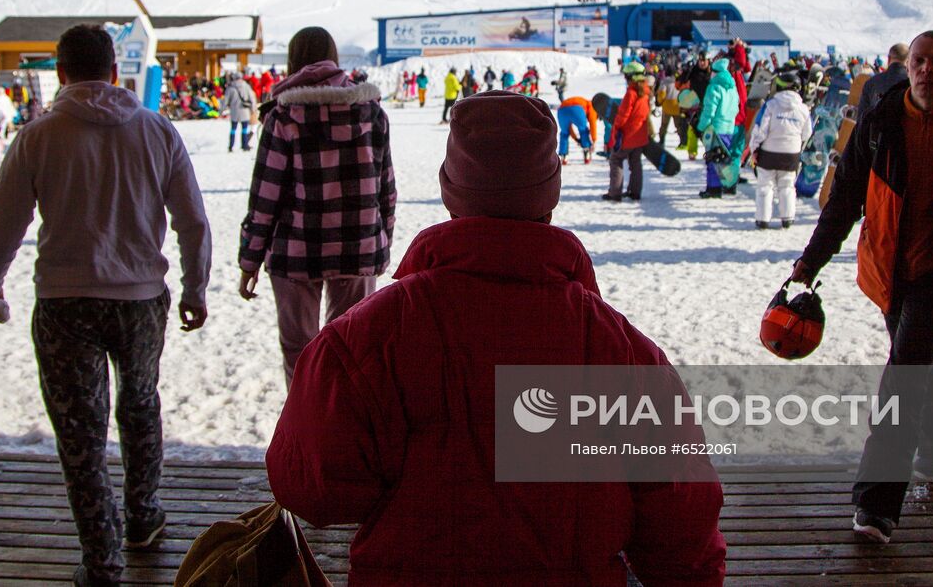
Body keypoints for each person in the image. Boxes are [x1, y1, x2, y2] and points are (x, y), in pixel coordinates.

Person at [266, 92, 727, 586]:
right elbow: (683, 537)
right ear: (549, 194)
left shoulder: (363, 340)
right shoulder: (624, 354)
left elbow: (311, 489)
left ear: (452, 191)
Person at [0, 24, 211, 587]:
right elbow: (193, 221)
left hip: (64, 304)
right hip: (141, 299)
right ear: (113, 70)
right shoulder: (158, 131)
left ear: (60, 72)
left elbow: (2, 223)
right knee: (140, 406)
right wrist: (196, 287)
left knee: (80, 434)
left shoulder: (38, 136)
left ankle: (101, 560)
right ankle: (143, 516)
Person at [788, 30, 933, 545]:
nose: (926, 70)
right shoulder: (880, 122)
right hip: (888, 267)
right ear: (908, 65)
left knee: (902, 375)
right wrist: (810, 262)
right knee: (915, 359)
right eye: (919, 61)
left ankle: (876, 505)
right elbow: (844, 200)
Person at [238, 26, 396, 388]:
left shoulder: (283, 117)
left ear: (294, 60)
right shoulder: (371, 112)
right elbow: (386, 189)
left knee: (300, 351)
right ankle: (343, 428)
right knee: (350, 351)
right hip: (358, 249)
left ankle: (304, 429)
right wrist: (380, 244)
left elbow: (265, 197)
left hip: (295, 252)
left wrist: (249, 261)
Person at [747, 73, 812, 228]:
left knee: (765, 185)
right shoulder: (803, 108)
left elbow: (760, 130)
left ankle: (763, 219)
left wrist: (754, 148)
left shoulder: (770, 105)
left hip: (769, 152)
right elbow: (807, 132)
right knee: (787, 186)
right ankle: (787, 218)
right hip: (791, 154)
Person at [604, 63, 651, 202]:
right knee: (635, 163)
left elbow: (623, 115)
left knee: (616, 160)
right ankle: (635, 192)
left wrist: (615, 128)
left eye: (626, 76)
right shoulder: (646, 93)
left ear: (631, 77)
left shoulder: (631, 93)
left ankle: (615, 193)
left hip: (627, 136)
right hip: (640, 135)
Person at [695, 58, 740, 199]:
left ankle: (713, 189)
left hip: (715, 129)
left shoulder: (714, 87)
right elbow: (736, 108)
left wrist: (701, 126)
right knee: (723, 158)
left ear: (715, 72)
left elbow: (709, 110)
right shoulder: (732, 87)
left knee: (713, 159)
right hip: (729, 128)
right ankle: (727, 185)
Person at [857, 43, 909, 123]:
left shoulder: (871, 83)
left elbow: (862, 118)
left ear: (888, 59)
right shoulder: (912, 84)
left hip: (876, 133)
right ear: (909, 61)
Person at [555, 93, 597, 164]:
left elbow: (569, 129)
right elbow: (593, 124)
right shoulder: (592, 106)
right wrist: (594, 140)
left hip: (561, 110)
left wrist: (577, 140)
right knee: (583, 130)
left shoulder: (584, 102)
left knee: (564, 133)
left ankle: (564, 156)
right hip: (577, 108)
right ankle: (586, 151)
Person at [222, 72, 258, 152]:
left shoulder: (230, 87)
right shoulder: (246, 86)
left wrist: (221, 110)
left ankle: (231, 146)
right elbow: (252, 98)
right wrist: (253, 109)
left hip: (234, 111)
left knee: (233, 129)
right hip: (244, 111)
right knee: (244, 129)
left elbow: (225, 100)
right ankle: (244, 145)